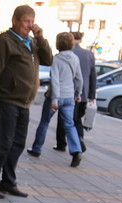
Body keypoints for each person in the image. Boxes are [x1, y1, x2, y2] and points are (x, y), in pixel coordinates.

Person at [0, 4, 52, 199]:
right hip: (6, 99)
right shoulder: (5, 41)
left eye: (32, 22)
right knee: (3, 143)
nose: (29, 26)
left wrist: (40, 37)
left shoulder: (32, 42)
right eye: (26, 21)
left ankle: (8, 182)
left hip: (24, 102)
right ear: (15, 21)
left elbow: (48, 60)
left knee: (17, 144)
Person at [27, 32, 83, 167]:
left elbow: (55, 81)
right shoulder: (75, 58)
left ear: (58, 44)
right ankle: (76, 151)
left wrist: (54, 100)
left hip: (55, 96)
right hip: (69, 96)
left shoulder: (56, 59)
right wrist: (78, 94)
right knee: (69, 125)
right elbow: (79, 79)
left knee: (45, 122)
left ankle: (37, 148)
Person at [54, 32, 95, 153]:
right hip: (83, 94)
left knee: (64, 120)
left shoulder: (65, 54)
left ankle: (61, 144)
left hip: (67, 92)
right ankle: (79, 140)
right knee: (76, 120)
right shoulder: (89, 54)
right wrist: (91, 95)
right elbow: (93, 76)